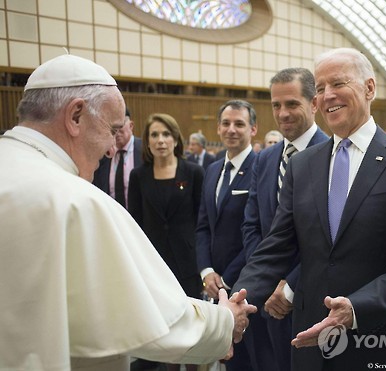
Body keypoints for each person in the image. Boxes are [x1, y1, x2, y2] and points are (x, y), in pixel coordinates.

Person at [0, 54, 256, 371]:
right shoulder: (76, 200)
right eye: (112, 129)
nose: (112, 148)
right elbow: (145, 319)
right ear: (75, 116)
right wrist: (224, 322)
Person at [233, 48, 386, 370]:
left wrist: (356, 309)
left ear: (369, 89)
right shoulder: (302, 165)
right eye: (319, 88)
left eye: (338, 83)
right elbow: (277, 246)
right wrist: (238, 300)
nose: (327, 95)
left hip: (379, 341)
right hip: (309, 342)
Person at [242, 67, 329, 371]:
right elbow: (252, 225)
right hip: (269, 301)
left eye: (292, 104)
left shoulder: (334, 155)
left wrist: (289, 284)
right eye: (276, 105)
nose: (283, 113)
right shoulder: (265, 159)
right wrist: (268, 281)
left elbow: (331, 237)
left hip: (314, 298)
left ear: (314, 103)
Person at [196, 100, 276, 371]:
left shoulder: (261, 169)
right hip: (214, 282)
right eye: (226, 124)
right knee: (230, 360)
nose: (232, 129)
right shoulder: (212, 170)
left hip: (246, 285)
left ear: (253, 129)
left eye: (239, 124)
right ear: (218, 128)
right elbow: (204, 226)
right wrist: (206, 271)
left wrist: (227, 280)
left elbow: (258, 232)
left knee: (257, 360)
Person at [128, 113, 205, 371]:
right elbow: (136, 222)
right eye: (154, 135)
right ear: (147, 142)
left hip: (188, 261)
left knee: (192, 326)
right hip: (155, 263)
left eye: (166, 134)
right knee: (166, 327)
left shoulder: (193, 172)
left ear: (175, 139)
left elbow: (200, 219)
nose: (160, 140)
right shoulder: (139, 176)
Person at [92, 107, 142, 208]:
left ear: (131, 126)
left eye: (120, 125)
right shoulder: (103, 154)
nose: (117, 131)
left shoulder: (145, 151)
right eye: (112, 127)